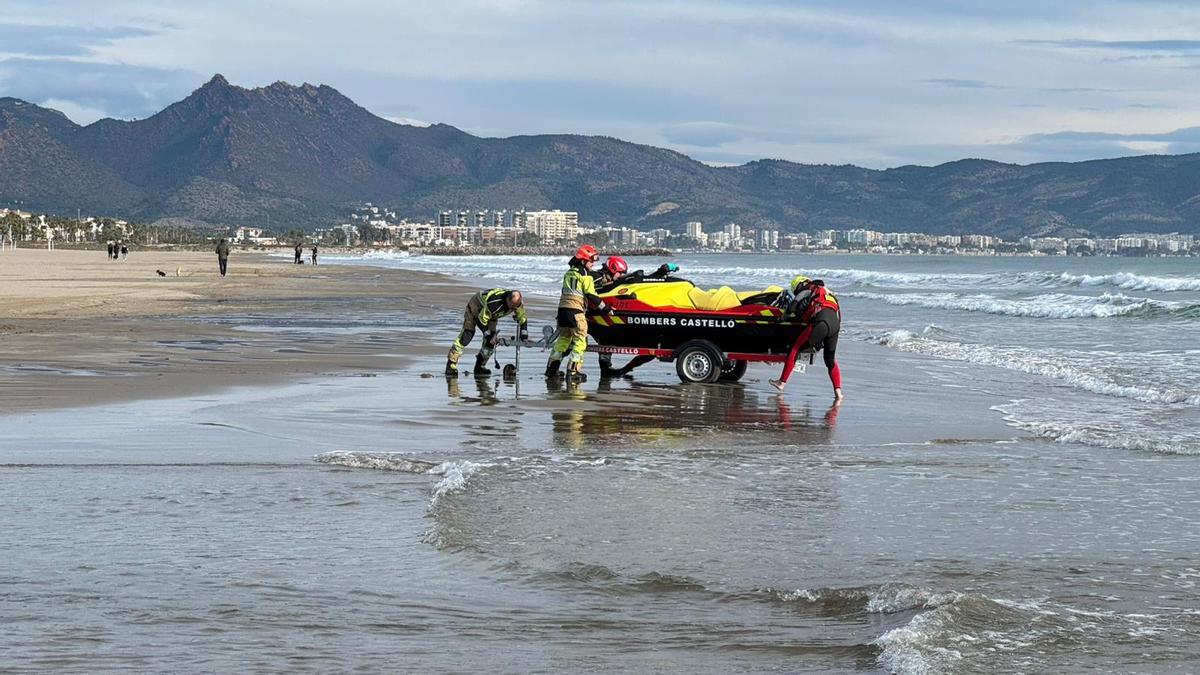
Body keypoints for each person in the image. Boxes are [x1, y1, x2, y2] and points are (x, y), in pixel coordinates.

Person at [597, 261, 679, 377]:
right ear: (612, 270)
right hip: (599, 317)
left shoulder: (616, 281)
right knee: (605, 341)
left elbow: (639, 281)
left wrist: (660, 272)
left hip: (611, 320)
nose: (621, 276)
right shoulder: (596, 278)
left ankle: (623, 370)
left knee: (651, 349)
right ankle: (606, 370)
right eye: (620, 273)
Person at [545, 244, 613, 382]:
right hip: (576, 312)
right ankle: (573, 372)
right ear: (583, 261)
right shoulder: (585, 275)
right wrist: (606, 309)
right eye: (591, 261)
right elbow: (591, 295)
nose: (593, 264)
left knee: (563, 341)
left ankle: (551, 369)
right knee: (580, 341)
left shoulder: (569, 273)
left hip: (562, 312)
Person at [769, 275, 842, 400]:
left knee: (795, 349)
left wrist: (781, 319)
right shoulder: (829, 292)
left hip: (821, 322)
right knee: (830, 360)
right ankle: (838, 393)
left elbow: (791, 308)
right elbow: (838, 314)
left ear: (800, 285)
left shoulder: (808, 289)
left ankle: (781, 382)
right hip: (835, 325)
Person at [445, 288, 528, 376]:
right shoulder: (494, 304)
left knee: (490, 344)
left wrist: (524, 337)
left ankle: (480, 366)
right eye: (513, 306)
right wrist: (489, 335)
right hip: (476, 306)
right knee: (467, 335)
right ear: (508, 300)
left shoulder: (517, 304)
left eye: (517, 306)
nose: (515, 308)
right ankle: (451, 364)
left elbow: (522, 318)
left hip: (491, 315)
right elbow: (481, 320)